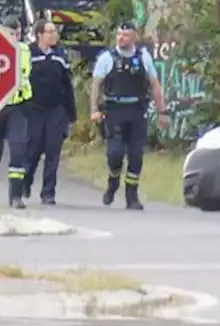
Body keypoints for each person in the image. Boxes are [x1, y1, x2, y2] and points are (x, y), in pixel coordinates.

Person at [90, 21, 169, 210]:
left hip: (136, 110)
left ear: (134, 37)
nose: (121, 38)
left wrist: (162, 111)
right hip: (114, 110)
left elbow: (155, 84)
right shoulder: (107, 58)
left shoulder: (143, 57)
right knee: (115, 153)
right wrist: (94, 109)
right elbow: (96, 84)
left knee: (135, 155)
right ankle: (113, 180)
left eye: (125, 35)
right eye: (118, 34)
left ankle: (132, 195)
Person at [0, 16, 34, 208]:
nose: (15, 37)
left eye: (18, 33)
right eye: (12, 33)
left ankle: (15, 196)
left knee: (18, 149)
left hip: (18, 106)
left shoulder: (24, 50)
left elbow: (24, 74)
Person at [23, 19, 76, 205]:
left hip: (56, 110)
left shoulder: (60, 56)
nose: (54, 35)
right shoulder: (28, 53)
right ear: (39, 35)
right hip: (34, 110)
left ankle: (48, 192)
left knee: (53, 151)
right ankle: (25, 183)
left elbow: (67, 85)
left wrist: (71, 113)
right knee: (33, 150)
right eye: (50, 31)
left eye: (55, 31)